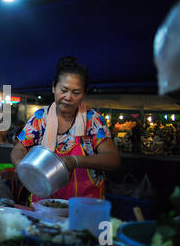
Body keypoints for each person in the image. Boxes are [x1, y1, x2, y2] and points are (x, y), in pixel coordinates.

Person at [11, 56, 120, 203]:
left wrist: (76, 160)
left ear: (84, 93)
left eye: (76, 93)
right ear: (53, 87)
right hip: (45, 204)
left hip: (84, 205)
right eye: (64, 90)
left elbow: (113, 160)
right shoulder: (40, 118)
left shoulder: (92, 120)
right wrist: (20, 164)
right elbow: (19, 149)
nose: (68, 97)